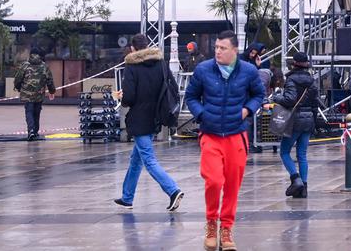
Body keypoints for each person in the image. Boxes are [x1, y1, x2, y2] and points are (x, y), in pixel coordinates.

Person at [185, 30, 265, 251]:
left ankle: (226, 228)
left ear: (235, 50)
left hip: (236, 134)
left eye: (223, 48)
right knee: (214, 180)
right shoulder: (203, 69)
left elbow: (259, 95)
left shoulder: (248, 71)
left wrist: (247, 110)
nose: (218, 51)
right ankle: (211, 223)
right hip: (210, 133)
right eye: (216, 47)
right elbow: (190, 96)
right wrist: (201, 114)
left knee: (232, 185)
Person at [113, 35, 184, 212]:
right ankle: (127, 197)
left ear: (133, 49)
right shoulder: (160, 63)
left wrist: (122, 97)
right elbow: (172, 87)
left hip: (140, 118)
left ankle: (173, 190)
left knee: (149, 159)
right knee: (136, 159)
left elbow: (129, 98)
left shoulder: (132, 66)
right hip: (156, 116)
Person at [274, 51, 320, 199]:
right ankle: (303, 188)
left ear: (294, 63)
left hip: (295, 120)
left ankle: (296, 179)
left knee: (284, 151)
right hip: (308, 120)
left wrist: (277, 98)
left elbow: (290, 100)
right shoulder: (311, 81)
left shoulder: (291, 80)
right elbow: (315, 103)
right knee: (302, 154)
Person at [13, 50, 55, 141]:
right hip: (39, 94)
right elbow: (50, 80)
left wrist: (19, 88)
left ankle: (31, 131)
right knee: (37, 113)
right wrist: (52, 91)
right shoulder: (44, 66)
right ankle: (35, 132)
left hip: (27, 94)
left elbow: (18, 78)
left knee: (29, 112)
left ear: (30, 54)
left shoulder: (25, 65)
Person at [245, 45, 273, 153]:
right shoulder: (264, 75)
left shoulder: (256, 67)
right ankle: (250, 145)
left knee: (251, 122)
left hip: (249, 99)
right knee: (249, 122)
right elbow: (261, 89)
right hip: (248, 99)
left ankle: (251, 144)